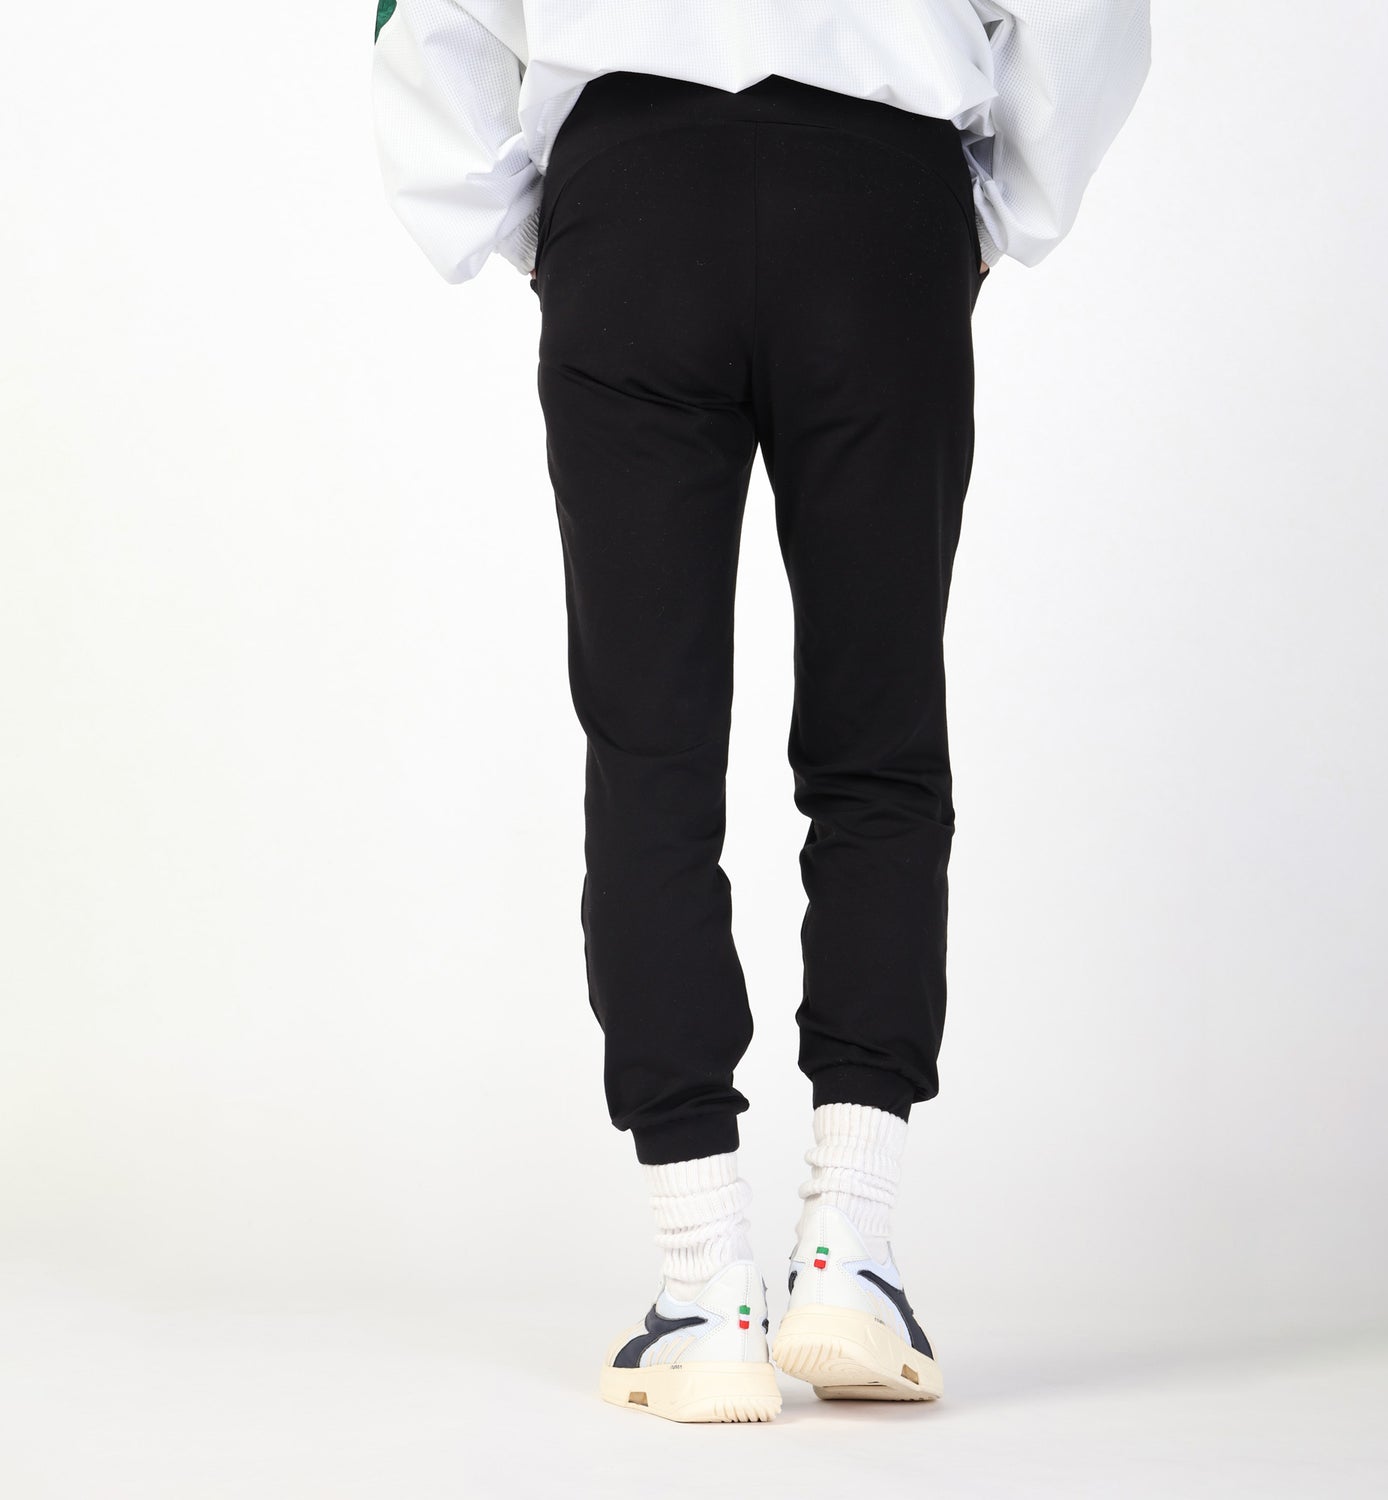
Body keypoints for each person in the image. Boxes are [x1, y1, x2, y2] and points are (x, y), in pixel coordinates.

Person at [372, 0, 1150, 1423]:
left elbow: (433, 22)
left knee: (649, 751)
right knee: (879, 740)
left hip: (632, 193)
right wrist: (995, 211)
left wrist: (543, 221)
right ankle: (850, 1251)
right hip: (880, 196)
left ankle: (704, 1289)